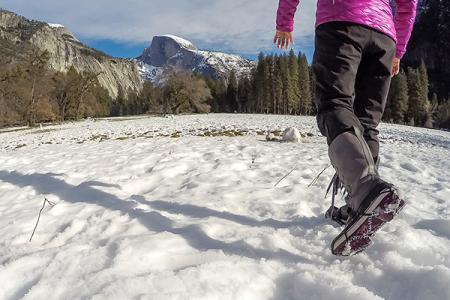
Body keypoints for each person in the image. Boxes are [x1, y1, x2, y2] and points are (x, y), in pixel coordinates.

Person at [274, 0, 418, 256]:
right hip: (385, 37)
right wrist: (398, 51)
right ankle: (358, 208)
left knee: (335, 104)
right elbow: (409, 4)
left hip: (341, 21)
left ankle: (366, 190)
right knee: (367, 123)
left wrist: (284, 22)